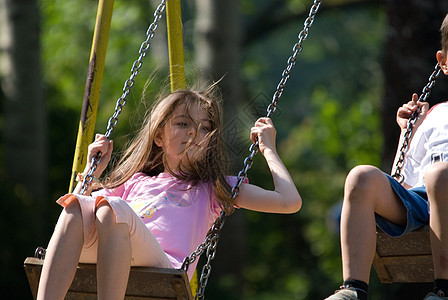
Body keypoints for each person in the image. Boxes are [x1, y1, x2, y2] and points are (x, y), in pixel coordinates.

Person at [36, 86, 302, 300]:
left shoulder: (214, 188)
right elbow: (81, 215)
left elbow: (289, 202)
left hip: (164, 266)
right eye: (183, 123)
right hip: (113, 251)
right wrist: (91, 173)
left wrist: (269, 150)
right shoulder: (134, 182)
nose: (194, 132)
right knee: (76, 205)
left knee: (110, 208)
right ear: (159, 136)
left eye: (205, 128)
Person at [325, 13, 448, 300]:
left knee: (439, 175)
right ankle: (353, 289)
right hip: (424, 201)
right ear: (443, 62)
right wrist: (408, 130)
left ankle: (443, 289)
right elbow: (402, 181)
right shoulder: (433, 116)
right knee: (361, 177)